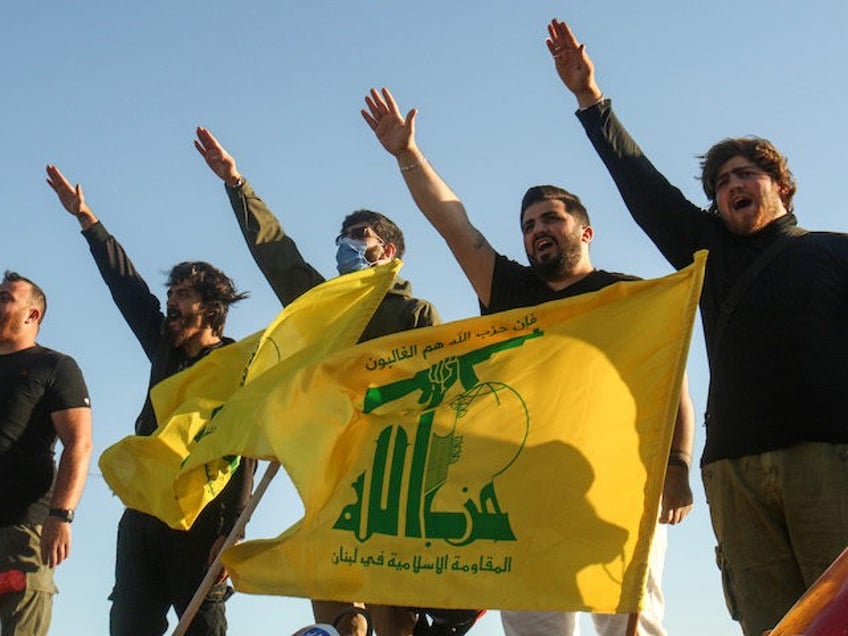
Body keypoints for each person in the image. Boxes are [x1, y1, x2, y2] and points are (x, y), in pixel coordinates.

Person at [546, 16, 848, 636]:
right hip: (733, 469)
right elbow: (642, 185)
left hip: (828, 460)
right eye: (721, 182)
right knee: (771, 625)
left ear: (782, 187)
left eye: (747, 175)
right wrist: (589, 98)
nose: (733, 185)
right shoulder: (705, 253)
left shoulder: (836, 252)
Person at [361, 87, 695, 636]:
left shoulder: (628, 296)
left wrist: (678, 465)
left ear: (584, 231)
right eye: (528, 224)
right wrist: (408, 156)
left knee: (630, 622)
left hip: (618, 478)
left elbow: (671, 383)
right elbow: (456, 228)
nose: (537, 230)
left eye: (550, 219)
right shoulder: (512, 290)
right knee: (535, 627)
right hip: (525, 482)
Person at [194, 127, 441, 636]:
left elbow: (431, 391)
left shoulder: (415, 312)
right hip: (325, 463)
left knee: (390, 594)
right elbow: (277, 253)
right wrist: (237, 184)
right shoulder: (325, 308)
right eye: (341, 240)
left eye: (358, 239)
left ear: (387, 251)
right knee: (330, 565)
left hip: (388, 466)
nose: (344, 248)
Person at [45, 165, 255, 636]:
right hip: (143, 514)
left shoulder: (237, 365)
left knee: (200, 624)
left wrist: (233, 529)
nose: (170, 303)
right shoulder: (164, 346)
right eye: (170, 293)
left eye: (182, 295)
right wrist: (87, 220)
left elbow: (245, 451)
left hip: (201, 519)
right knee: (129, 623)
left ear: (210, 307)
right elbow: (127, 289)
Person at [0, 271, 92, 635]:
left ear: (31, 315)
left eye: (6, 297)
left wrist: (61, 516)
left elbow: (79, 443)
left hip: (24, 529)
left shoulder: (54, 367)